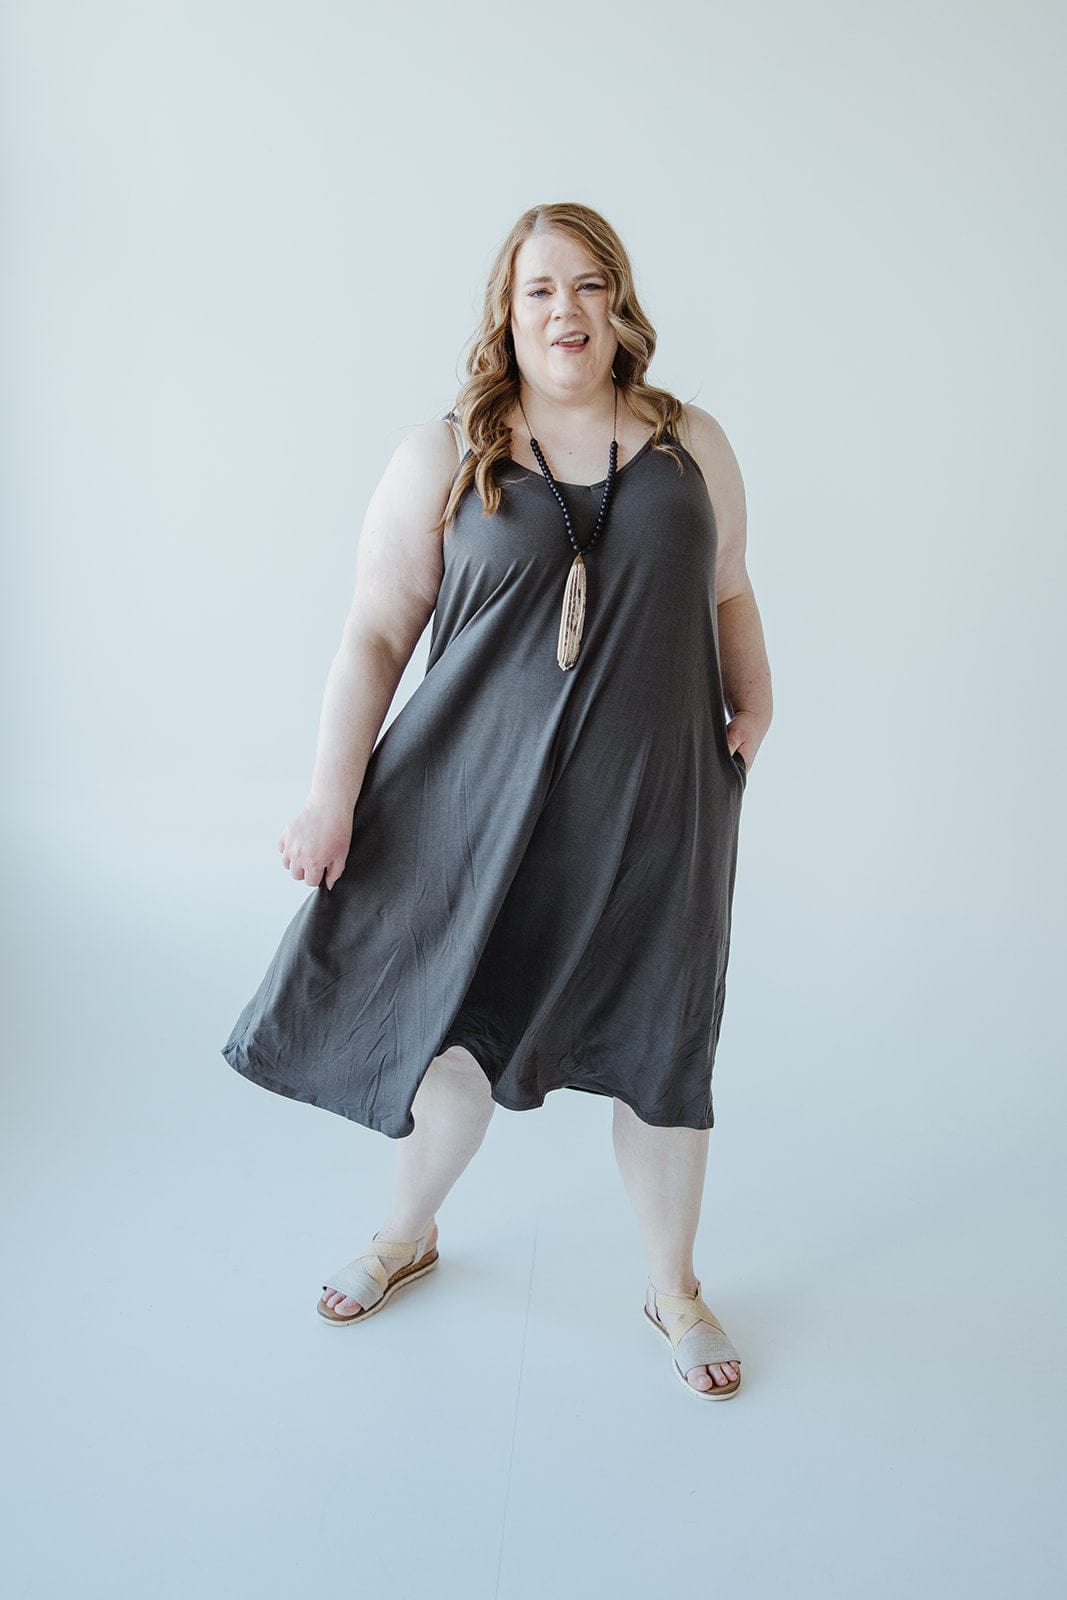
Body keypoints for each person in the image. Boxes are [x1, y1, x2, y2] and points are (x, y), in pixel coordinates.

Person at [222, 201, 773, 1402]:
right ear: (505, 312)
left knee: (662, 1053)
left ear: (618, 303)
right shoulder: (446, 451)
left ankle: (671, 1285)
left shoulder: (691, 445)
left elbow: (728, 585)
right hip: (468, 814)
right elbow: (374, 630)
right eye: (538, 290)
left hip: (653, 814)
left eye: (587, 285)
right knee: (449, 1052)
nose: (564, 310)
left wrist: (754, 695)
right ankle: (405, 1232)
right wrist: (330, 795)